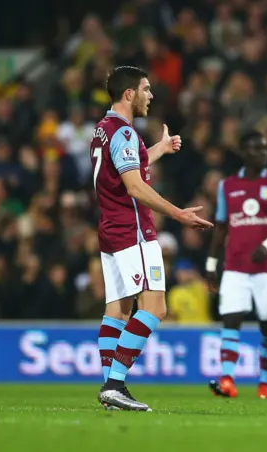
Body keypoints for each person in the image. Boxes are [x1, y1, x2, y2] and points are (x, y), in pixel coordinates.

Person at [92, 66, 213, 411]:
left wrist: (157, 149)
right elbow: (133, 186)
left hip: (111, 229)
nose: (151, 95)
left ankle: (110, 388)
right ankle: (115, 384)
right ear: (129, 94)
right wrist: (178, 214)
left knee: (117, 309)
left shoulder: (104, 129)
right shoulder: (125, 134)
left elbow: (123, 171)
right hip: (133, 230)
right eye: (146, 89)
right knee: (155, 306)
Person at [205, 131, 267, 399]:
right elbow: (221, 227)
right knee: (231, 320)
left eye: (265, 149)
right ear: (244, 153)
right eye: (256, 149)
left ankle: (265, 383)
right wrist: (211, 263)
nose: (262, 154)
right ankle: (228, 379)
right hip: (235, 266)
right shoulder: (228, 186)